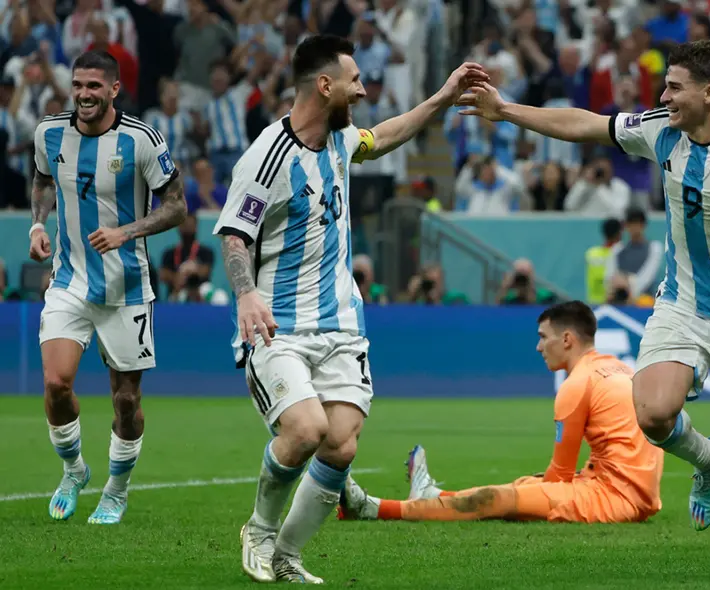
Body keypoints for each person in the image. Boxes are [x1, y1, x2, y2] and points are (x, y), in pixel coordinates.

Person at [457, 39, 710, 580]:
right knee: (653, 415)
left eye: (674, 88)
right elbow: (585, 124)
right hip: (682, 304)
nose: (664, 97)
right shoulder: (662, 131)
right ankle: (707, 459)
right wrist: (505, 110)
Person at [212, 34, 487, 584]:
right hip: (279, 326)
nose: (362, 90)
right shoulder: (266, 157)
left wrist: (442, 96)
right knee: (306, 429)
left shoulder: (340, 141)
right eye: (354, 80)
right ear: (324, 85)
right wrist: (245, 294)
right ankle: (259, 531)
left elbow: (383, 137)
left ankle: (287, 555)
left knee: (341, 445)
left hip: (341, 324)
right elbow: (235, 235)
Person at [29, 50, 186, 525]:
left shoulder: (141, 140)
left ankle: (116, 491)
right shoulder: (49, 132)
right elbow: (42, 180)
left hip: (126, 287)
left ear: (114, 89)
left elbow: (176, 206)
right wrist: (38, 224)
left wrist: (126, 232)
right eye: (78, 85)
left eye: (94, 86)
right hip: (70, 280)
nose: (84, 94)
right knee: (56, 384)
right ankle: (74, 470)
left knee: (126, 400)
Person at [340, 301, 664, 524]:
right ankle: (432, 495)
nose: (538, 347)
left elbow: (560, 476)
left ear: (567, 339)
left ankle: (373, 508)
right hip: (634, 492)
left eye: (543, 338)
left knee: (496, 499)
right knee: (523, 484)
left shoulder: (577, 383)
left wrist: (525, 491)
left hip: (613, 498)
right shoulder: (621, 370)